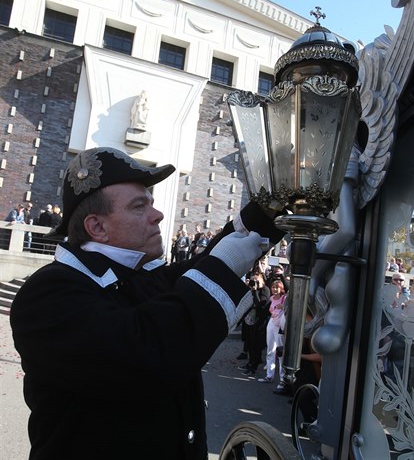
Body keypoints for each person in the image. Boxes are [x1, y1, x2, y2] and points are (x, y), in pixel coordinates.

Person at [10, 147, 286, 460]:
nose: (158, 214)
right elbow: (147, 353)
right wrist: (224, 266)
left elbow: (206, 262)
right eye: (140, 206)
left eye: (152, 202)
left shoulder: (137, 277)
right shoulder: (46, 296)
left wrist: (279, 198)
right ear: (97, 227)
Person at [238, 273, 270, 376]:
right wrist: (248, 288)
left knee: (255, 345)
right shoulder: (251, 289)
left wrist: (255, 291)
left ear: (262, 281)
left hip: (259, 321)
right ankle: (250, 363)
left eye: (256, 281)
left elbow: (259, 305)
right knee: (250, 343)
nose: (254, 283)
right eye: (253, 281)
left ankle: (253, 366)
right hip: (249, 320)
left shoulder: (265, 290)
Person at [257, 279, 286, 386]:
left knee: (280, 351)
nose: (274, 289)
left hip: (280, 325)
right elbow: (266, 310)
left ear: (281, 288)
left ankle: (283, 379)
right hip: (272, 322)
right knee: (270, 349)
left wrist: (283, 306)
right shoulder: (271, 298)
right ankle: (269, 375)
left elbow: (290, 308)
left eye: (277, 287)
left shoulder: (285, 298)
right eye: (273, 287)